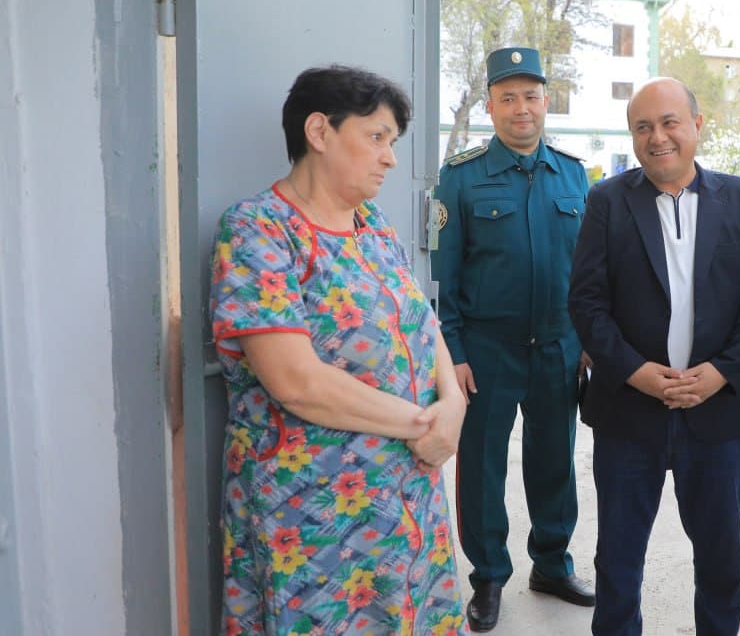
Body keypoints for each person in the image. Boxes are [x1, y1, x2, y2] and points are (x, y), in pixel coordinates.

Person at [209, 65, 468, 635]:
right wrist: (425, 423)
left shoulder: (372, 226)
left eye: (392, 142)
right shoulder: (259, 230)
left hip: (404, 499)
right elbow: (296, 381)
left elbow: (421, 322)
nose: (390, 159)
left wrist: (454, 402)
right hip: (314, 517)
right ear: (320, 132)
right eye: (377, 138)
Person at [568, 77, 740, 636]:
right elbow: (586, 302)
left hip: (714, 412)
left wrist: (723, 371)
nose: (657, 137)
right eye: (643, 127)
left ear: (697, 125)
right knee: (617, 559)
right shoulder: (607, 201)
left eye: (669, 123)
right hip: (629, 412)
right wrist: (635, 372)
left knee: (719, 558)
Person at [431, 46, 593, 632]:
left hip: (558, 346)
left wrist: (588, 342)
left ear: (545, 101)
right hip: (487, 350)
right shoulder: (461, 177)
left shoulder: (575, 174)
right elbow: (442, 275)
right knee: (481, 468)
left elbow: (591, 272)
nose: (520, 108)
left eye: (530, 96)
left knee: (555, 463)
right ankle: (489, 577)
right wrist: (455, 353)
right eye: (507, 98)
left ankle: (551, 564)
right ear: (491, 106)